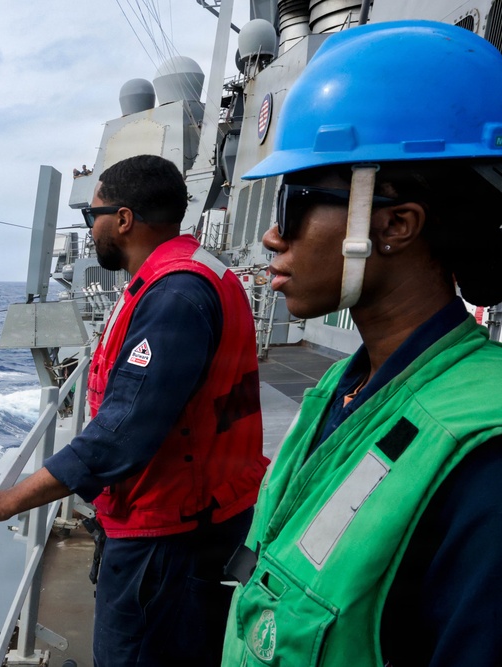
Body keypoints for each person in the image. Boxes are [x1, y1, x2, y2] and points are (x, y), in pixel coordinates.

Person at [221, 21, 502, 666]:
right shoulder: (340, 391)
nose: (271, 237)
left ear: (395, 225)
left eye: (294, 202)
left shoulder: (483, 463)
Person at [0, 154, 267, 666]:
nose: (90, 228)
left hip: (165, 540)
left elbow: (121, 434)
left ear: (123, 219)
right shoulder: (191, 272)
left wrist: (9, 500)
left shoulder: (175, 296)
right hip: (198, 517)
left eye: (91, 215)